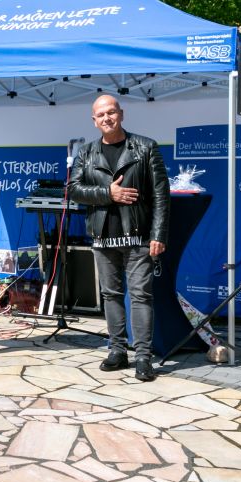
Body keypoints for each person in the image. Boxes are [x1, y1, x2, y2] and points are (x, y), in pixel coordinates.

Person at [68, 95, 169, 381]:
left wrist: (158, 234)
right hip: (103, 235)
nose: (107, 118)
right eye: (101, 115)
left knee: (140, 296)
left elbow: (161, 196)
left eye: (111, 112)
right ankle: (117, 351)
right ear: (94, 120)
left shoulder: (146, 147)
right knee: (110, 295)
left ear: (121, 114)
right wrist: (107, 194)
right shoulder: (86, 153)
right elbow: (73, 189)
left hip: (138, 236)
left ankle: (144, 358)